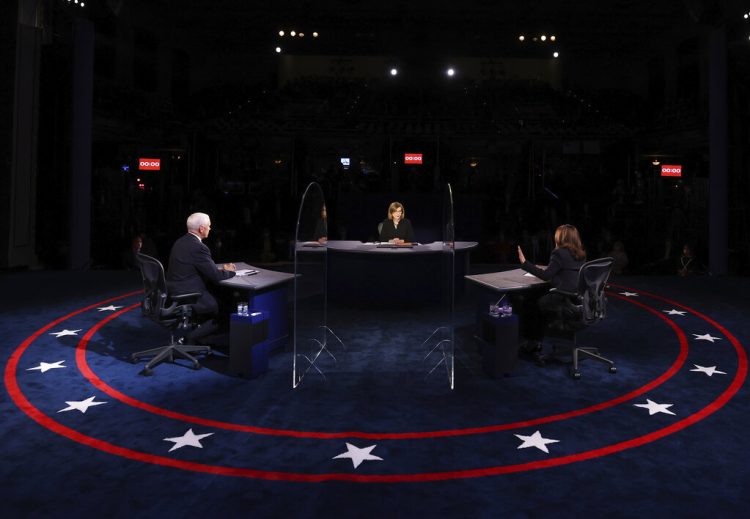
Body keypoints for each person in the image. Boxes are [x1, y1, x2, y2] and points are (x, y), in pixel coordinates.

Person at [516, 224, 587, 359]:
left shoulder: (559, 253)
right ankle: (535, 341)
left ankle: (532, 343)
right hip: (576, 298)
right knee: (537, 297)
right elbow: (567, 275)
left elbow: (546, 276)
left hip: (561, 297)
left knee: (531, 301)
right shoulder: (581, 254)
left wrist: (525, 263)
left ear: (561, 237)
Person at [166, 212, 236, 343]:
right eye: (209, 226)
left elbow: (198, 268)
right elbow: (216, 277)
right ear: (202, 228)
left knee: (215, 293)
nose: (210, 228)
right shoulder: (199, 247)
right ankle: (189, 340)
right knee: (224, 309)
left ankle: (201, 334)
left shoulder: (180, 242)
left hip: (174, 290)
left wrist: (218, 270)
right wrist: (230, 271)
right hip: (189, 293)